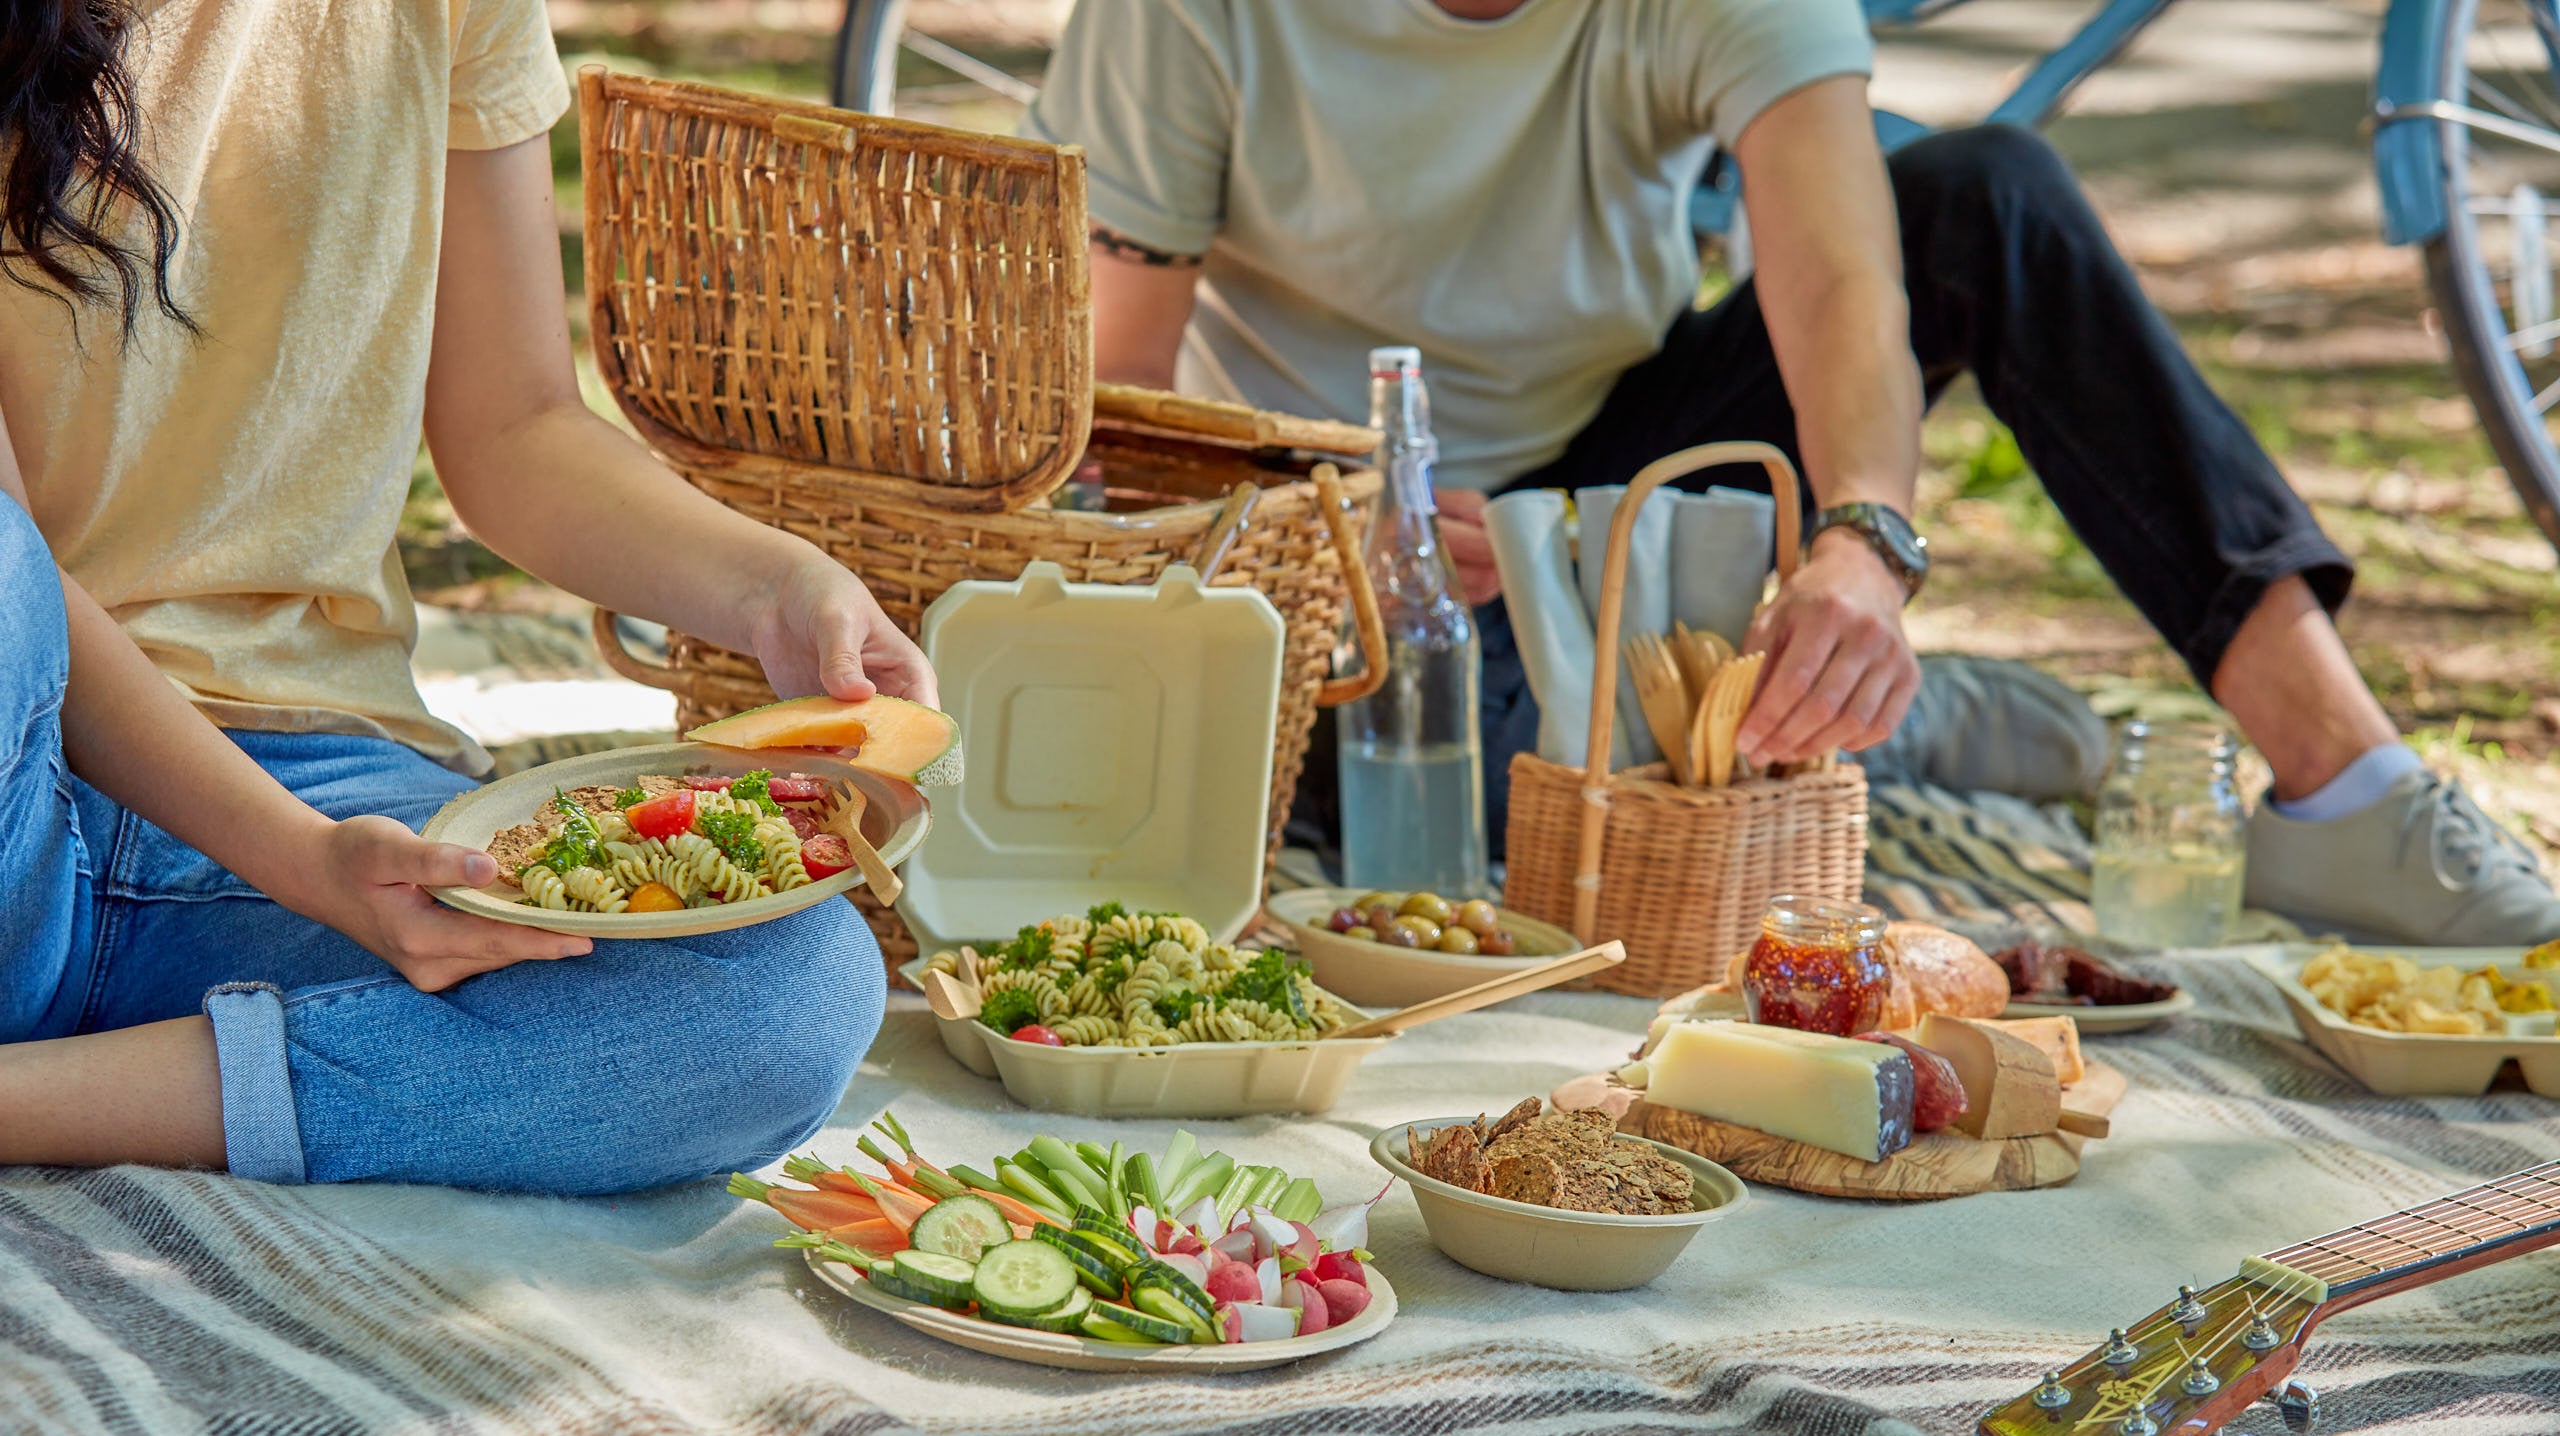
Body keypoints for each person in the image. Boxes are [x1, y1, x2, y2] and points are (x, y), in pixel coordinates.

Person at [1028, 0, 2560, 945]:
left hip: (1625, 468)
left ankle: (2348, 782)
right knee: (1473, 828)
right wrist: (1326, 528)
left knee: (1987, 197)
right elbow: (1122, 407)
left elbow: (1840, 284)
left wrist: (1861, 546)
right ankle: (1832, 717)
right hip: (1333, 542)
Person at [0, 0, 928, 1188]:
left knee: (782, 991)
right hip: (29, 786)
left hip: (321, 790)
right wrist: (304, 862)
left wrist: (778, 590)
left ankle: (40, 1102)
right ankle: (242, 1080)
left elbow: (517, 425)